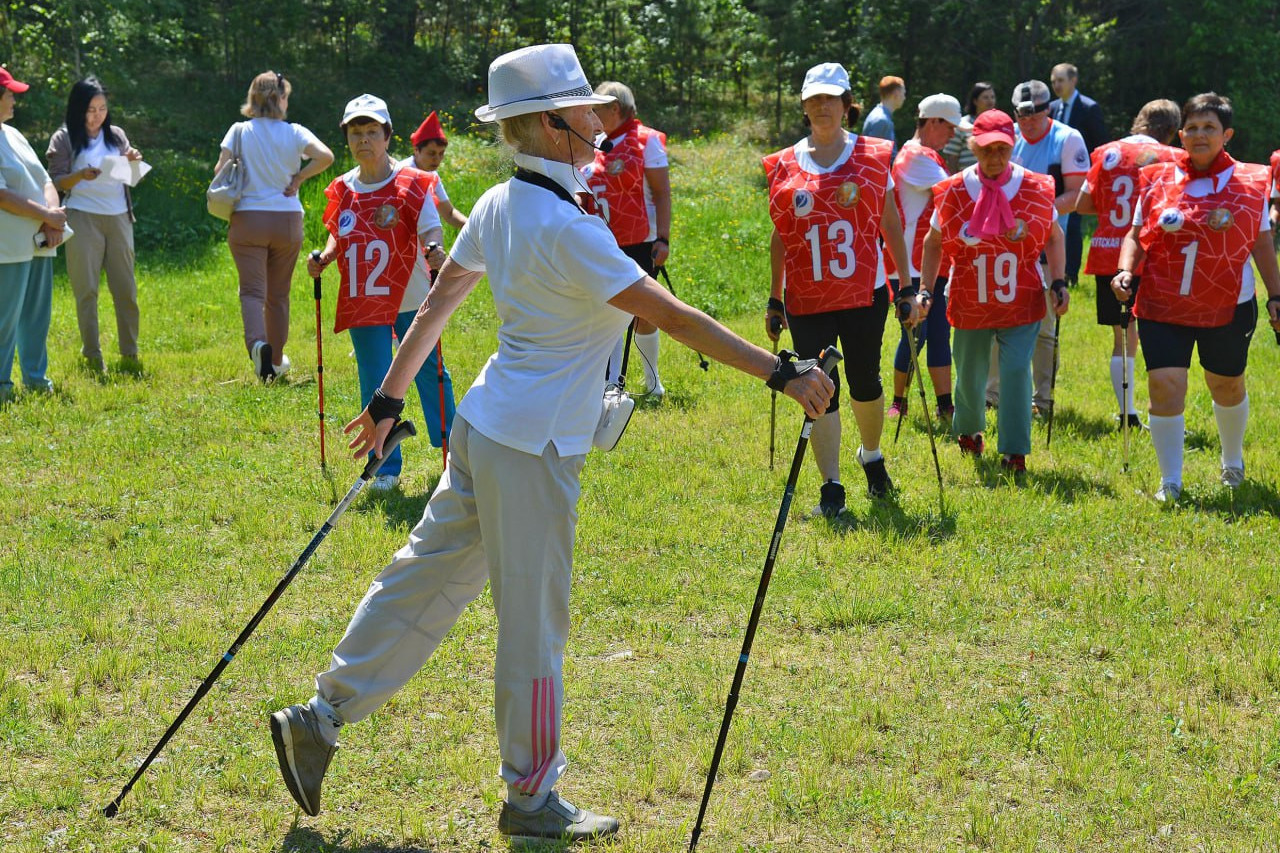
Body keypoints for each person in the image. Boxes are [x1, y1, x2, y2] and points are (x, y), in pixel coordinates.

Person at [267, 44, 832, 842]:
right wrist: (779, 370)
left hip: (485, 428)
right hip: (530, 448)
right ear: (548, 124)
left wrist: (393, 395)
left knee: (421, 576)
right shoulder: (566, 227)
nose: (600, 119)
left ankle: (320, 716)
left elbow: (437, 304)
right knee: (533, 626)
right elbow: (666, 315)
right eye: (582, 108)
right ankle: (531, 797)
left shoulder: (502, 203)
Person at [763, 62, 917, 517]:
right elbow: (780, 233)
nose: (822, 107)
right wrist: (775, 297)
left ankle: (871, 456)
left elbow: (890, 221)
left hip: (864, 293)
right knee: (817, 384)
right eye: (814, 99)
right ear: (805, 107)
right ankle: (831, 487)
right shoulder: (786, 162)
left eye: (831, 98)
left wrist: (906, 285)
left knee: (865, 382)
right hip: (807, 297)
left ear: (847, 104)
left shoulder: (871, 154)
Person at [1112, 93, 1280, 502]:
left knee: (1225, 384)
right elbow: (1135, 234)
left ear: (1227, 135)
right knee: (1165, 385)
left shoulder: (1252, 181)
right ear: (1181, 134)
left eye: (1210, 128)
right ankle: (1171, 480)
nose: (1200, 135)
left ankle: (1233, 462)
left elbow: (1261, 244)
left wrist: (1276, 294)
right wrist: (1125, 269)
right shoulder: (1155, 178)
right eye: (1193, 128)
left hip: (1227, 304)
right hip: (1162, 301)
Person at [307, 95, 450, 490]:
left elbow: (430, 228)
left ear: (388, 136)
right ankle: (384, 466)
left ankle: (452, 450)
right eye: (356, 132)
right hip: (364, 299)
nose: (363, 140)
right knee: (374, 381)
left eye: (372, 132)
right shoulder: (342, 188)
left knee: (429, 372)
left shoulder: (414, 182)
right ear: (347, 139)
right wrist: (324, 257)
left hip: (410, 296)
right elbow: (339, 236)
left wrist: (434, 249)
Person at [919, 109, 1069, 474]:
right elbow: (933, 241)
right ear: (973, 147)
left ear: (1012, 146)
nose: (994, 158)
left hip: (1022, 299)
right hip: (971, 298)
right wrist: (924, 287)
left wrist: (1060, 281)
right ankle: (969, 430)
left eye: (1002, 149)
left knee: (1017, 370)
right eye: (986, 150)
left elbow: (1054, 236)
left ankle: (1014, 449)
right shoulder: (954, 190)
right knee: (970, 372)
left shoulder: (1034, 187)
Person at [216, 71, 333, 381]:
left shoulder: (239, 130)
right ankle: (277, 361)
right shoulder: (294, 132)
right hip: (287, 221)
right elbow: (325, 156)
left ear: (253, 97)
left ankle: (258, 345)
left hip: (248, 219)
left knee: (253, 292)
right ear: (280, 99)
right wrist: (299, 177)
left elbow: (220, 169)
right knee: (278, 296)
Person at [1075, 99, 1181, 429]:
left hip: (1109, 253)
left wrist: (1111, 211)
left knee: (1122, 337)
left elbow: (1081, 203)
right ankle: (1162, 412)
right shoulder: (1172, 157)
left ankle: (1127, 413)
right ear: (1171, 130)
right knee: (1159, 336)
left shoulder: (1106, 153)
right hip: (1152, 254)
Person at [987, 80, 1087, 413]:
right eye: (1022, 115)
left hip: (1046, 246)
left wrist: (1035, 214)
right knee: (996, 322)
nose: (1029, 121)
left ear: (1049, 109)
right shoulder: (1008, 138)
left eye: (1037, 114)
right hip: (1003, 248)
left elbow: (1076, 194)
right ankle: (992, 396)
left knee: (1044, 328)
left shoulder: (1067, 138)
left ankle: (1042, 399)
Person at [46, 76, 143, 372]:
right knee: (86, 289)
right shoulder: (63, 138)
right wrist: (81, 175)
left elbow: (133, 177)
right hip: (82, 216)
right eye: (90, 110)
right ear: (78, 110)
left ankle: (130, 352)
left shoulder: (116, 135)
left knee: (125, 288)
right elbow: (56, 181)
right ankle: (92, 354)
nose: (97, 116)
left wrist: (134, 160)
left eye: (101, 109)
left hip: (119, 218)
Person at [582, 81, 672, 398]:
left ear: (615, 109)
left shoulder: (646, 140)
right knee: (609, 310)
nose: (592, 114)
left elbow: (661, 193)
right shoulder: (595, 144)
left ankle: (652, 382)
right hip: (601, 239)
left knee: (643, 311)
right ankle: (611, 383)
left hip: (640, 240)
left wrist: (663, 238)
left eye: (597, 109)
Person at [885, 94, 961, 423]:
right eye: (950, 128)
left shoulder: (925, 155)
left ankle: (945, 406)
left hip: (933, 261)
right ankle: (899, 402)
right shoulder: (916, 156)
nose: (953, 135)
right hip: (913, 265)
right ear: (932, 122)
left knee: (940, 333)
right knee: (916, 334)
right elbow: (955, 192)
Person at [0, 66, 65, 403]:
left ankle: (36, 378)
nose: (14, 99)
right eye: (9, 93)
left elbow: (45, 180)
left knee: (36, 315)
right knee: (4, 318)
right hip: (7, 245)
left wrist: (51, 220)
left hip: (38, 239)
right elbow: (2, 195)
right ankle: (1, 387)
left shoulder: (13, 134)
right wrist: (46, 215)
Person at [1049, 62, 1108, 287]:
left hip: (1079, 172)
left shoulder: (1089, 107)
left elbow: (1099, 142)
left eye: (1061, 80)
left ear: (1074, 81)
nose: (1056, 85)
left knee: (1073, 224)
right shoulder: (1052, 108)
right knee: (1055, 222)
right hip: (1056, 175)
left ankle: (1070, 274)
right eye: (1054, 81)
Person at [403, 110, 468, 229]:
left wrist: (475, 227)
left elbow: (449, 213)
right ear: (416, 150)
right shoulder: (401, 173)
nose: (437, 159)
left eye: (441, 153)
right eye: (431, 153)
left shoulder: (433, 176)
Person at [943, 82, 996, 174]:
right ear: (975, 101)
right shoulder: (962, 124)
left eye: (992, 97)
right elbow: (952, 157)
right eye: (985, 97)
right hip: (966, 181)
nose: (990, 101)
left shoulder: (998, 124)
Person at [861, 76, 905, 152]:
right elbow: (873, 155)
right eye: (903, 93)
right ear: (896, 94)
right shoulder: (881, 120)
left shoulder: (881, 116)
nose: (904, 98)